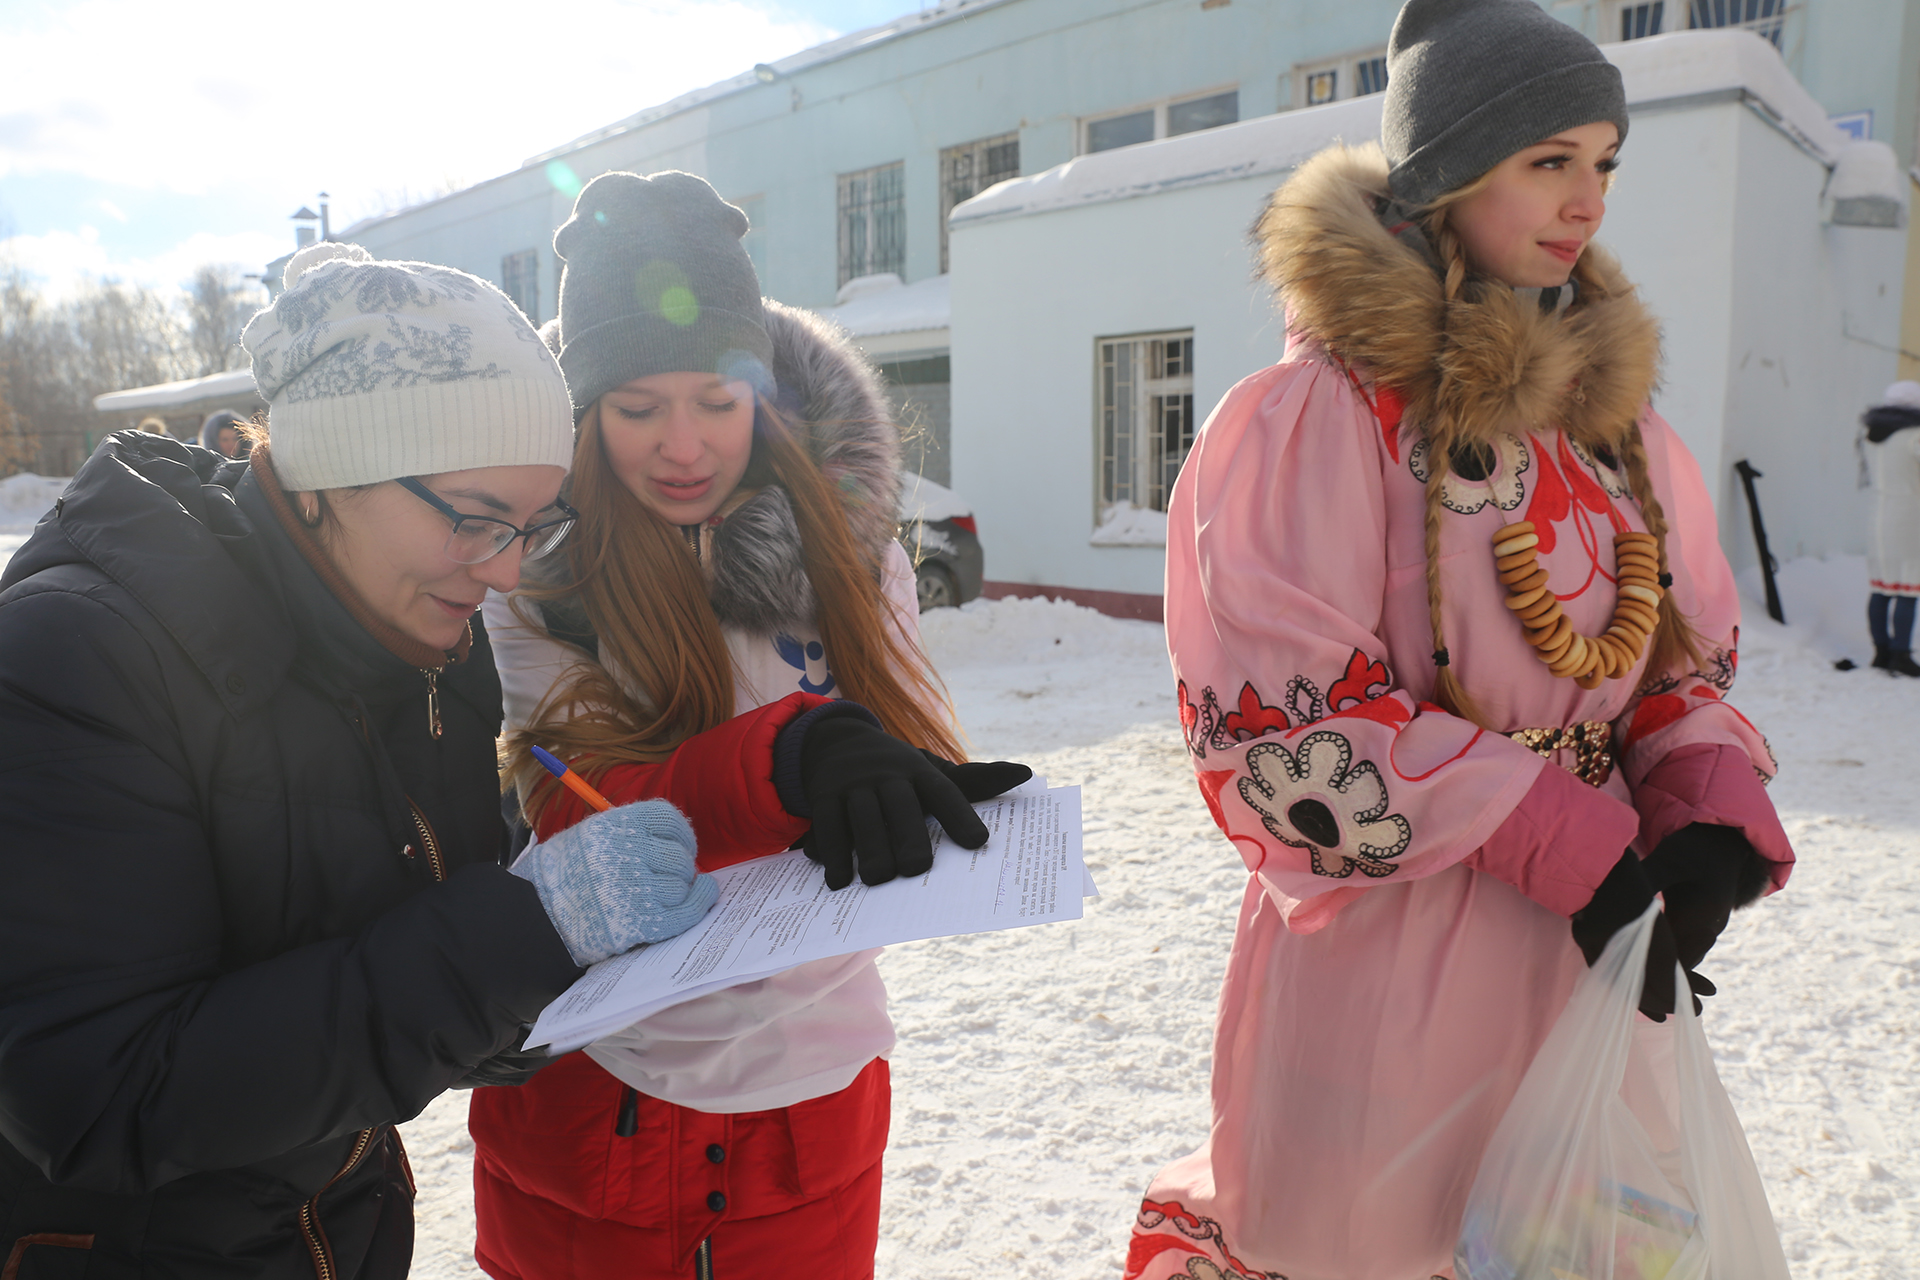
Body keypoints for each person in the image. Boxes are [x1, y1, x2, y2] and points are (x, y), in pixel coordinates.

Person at [1122, 3, 1795, 1277]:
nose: (1589, 201)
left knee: (1566, 1240)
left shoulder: (1611, 429)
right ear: (1447, 171)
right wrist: (1560, 838)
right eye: (1550, 159)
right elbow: (1292, 728)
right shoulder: (1319, 417)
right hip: (1400, 956)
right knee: (1390, 1241)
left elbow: (1677, 663)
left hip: (1592, 953)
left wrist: (1704, 807)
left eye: (1605, 162)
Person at [0, 241, 718, 1279]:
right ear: (326, 472)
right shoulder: (80, 653)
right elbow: (100, 1094)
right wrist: (518, 935)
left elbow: (391, 940)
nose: (508, 572)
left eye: (531, 524)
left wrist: (513, 1003)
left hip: (337, 1230)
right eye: (478, 518)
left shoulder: (427, 638)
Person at [466, 171, 1028, 1279]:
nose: (684, 446)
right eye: (638, 408)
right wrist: (789, 762)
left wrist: (902, 788)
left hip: (812, 1107)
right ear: (582, 413)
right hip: (607, 1105)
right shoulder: (533, 580)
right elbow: (580, 813)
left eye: (718, 403)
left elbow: (899, 744)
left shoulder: (856, 553)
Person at [1861, 380, 1920, 675]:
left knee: (1881, 587)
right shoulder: (1914, 436)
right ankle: (1901, 654)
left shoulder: (1869, 435)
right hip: (1910, 515)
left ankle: (1880, 652)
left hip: (1878, 515)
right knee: (1909, 587)